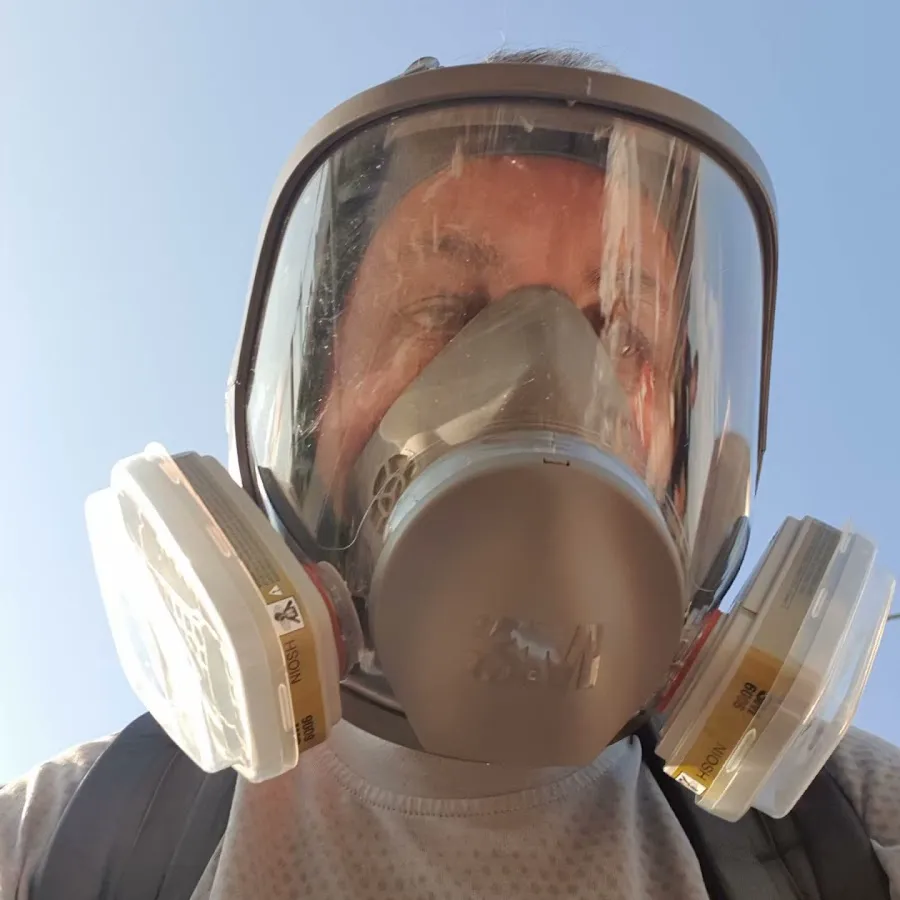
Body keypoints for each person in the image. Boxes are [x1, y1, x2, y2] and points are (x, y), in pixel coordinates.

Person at [3, 48, 900, 900]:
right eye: (446, 306)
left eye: (623, 331)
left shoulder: (850, 823)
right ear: (318, 399)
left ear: (685, 446)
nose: (548, 379)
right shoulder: (73, 831)